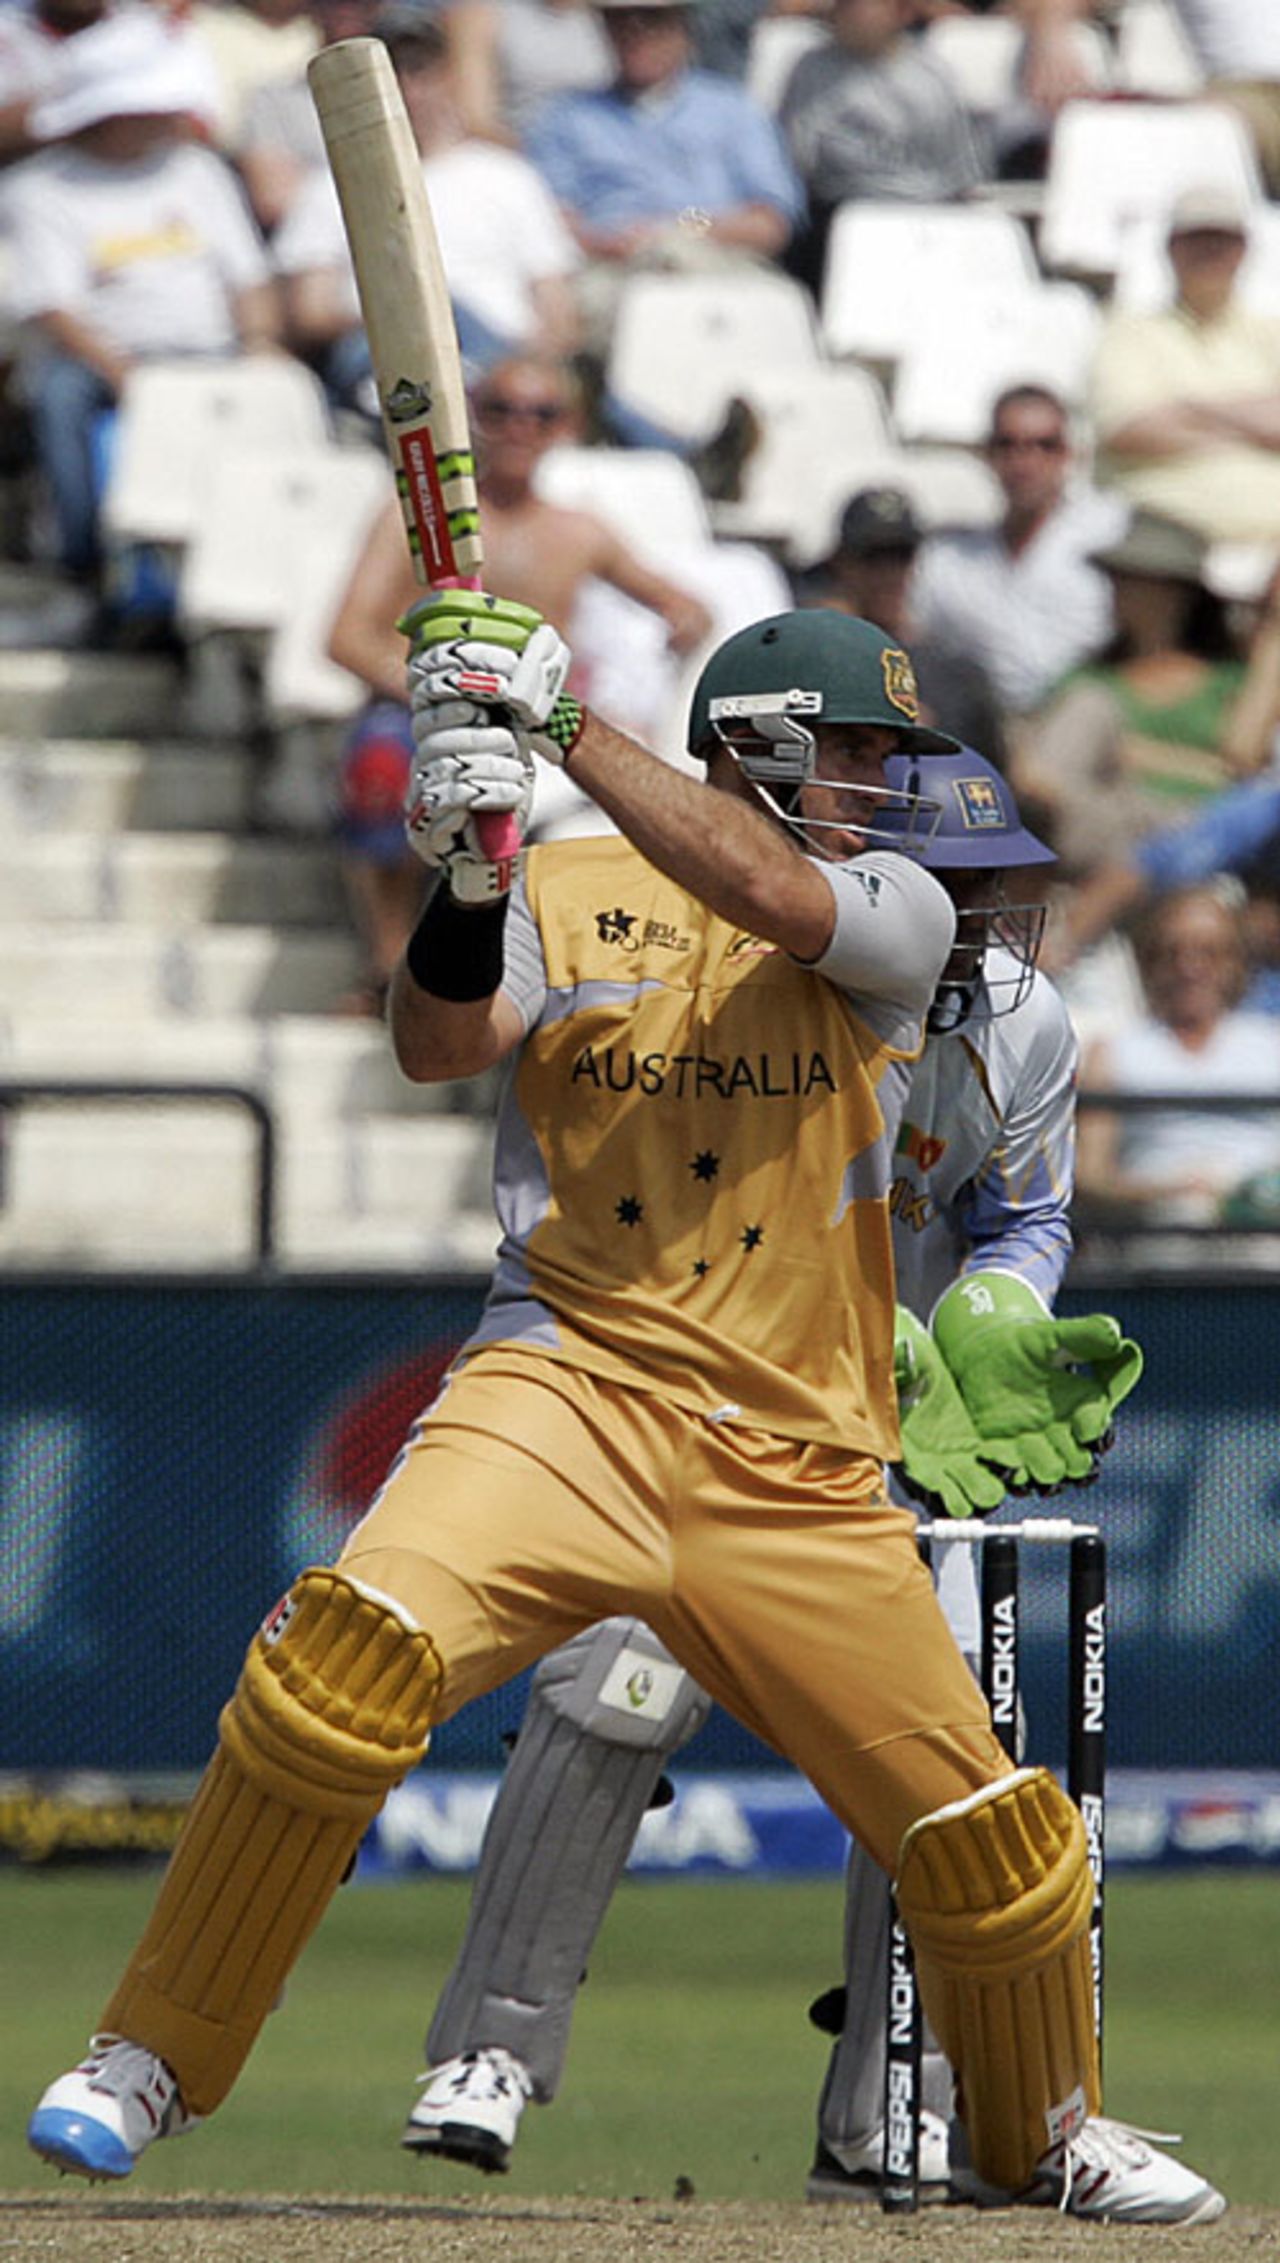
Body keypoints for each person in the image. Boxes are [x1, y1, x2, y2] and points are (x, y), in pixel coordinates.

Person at [27, 598, 1223, 2227]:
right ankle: (150, 2052)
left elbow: (775, 892)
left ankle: (1050, 2126)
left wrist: (562, 721)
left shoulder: (895, 905)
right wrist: (462, 876)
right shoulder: (564, 884)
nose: (887, 780)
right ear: (764, 744)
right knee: (336, 1667)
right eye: (859, 749)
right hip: (563, 1388)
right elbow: (443, 1042)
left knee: (994, 1842)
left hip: (795, 1451)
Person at [393, 745, 1147, 2209]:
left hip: (900, 1431)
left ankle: (888, 2109)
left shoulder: (1029, 1024)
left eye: (1006, 897)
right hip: (725, 1400)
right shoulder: (770, 984)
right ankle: (490, 2046)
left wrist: (992, 1310)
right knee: (613, 1684)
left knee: (932, 1750)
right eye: (963, 893)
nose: (988, 928)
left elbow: (1027, 1211)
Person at [326, 351, 713, 1005]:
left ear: (565, 427)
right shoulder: (418, 521)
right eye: (501, 410)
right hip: (422, 707)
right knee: (381, 762)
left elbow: (686, 607)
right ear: (474, 416)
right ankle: (386, 965)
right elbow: (347, 638)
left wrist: (664, 645)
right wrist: (440, 688)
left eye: (540, 414)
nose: (518, 428)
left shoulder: (578, 531)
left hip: (531, 715)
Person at [0, 6, 278, 601]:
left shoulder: (197, 171)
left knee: (282, 394)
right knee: (59, 395)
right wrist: (125, 373)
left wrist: (260, 345)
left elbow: (248, 279)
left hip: (214, 350)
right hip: (105, 361)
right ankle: (85, 557)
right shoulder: (40, 190)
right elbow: (53, 306)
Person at [274, 5, 582, 412]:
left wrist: (520, 368)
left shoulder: (509, 176)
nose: (408, 87)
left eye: (421, 69)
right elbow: (310, 311)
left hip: (494, 363)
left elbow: (558, 314)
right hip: (382, 352)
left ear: (448, 76)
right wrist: (411, 320)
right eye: (393, 71)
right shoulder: (330, 185)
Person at [523, 0, 803, 360]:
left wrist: (680, 229)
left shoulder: (735, 109)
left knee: (760, 311)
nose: (636, 31)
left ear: (684, 27)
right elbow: (548, 218)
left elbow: (771, 224)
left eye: (653, 19)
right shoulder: (567, 117)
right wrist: (602, 242)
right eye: (620, 20)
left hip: (717, 260)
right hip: (610, 272)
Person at [1012, 507, 1273, 885]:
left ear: (1172, 591)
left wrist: (1135, 754)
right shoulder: (1090, 674)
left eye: (1129, 579)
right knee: (1088, 707)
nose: (1114, 589)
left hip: (1190, 824)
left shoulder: (1228, 681)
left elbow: (1246, 769)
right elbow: (1033, 759)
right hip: (1095, 815)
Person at [909, 383, 1123, 729]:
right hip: (983, 724)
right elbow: (910, 630)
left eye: (1044, 445)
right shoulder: (950, 558)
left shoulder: (1109, 538)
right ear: (988, 454)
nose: (1025, 461)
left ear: (1070, 454)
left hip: (1084, 718)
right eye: (1008, 445)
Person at [1075, 882, 1280, 1231]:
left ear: (1235, 963)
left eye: (1210, 953)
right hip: (1153, 1238)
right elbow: (1090, 1174)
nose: (1190, 967)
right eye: (1174, 953)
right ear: (1150, 963)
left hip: (1261, 1233)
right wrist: (1167, 1193)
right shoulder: (1113, 1050)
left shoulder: (1271, 1044)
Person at [1089, 185, 1280, 547]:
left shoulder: (1272, 333)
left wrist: (1188, 408)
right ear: (1170, 249)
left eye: (1222, 241)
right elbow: (1130, 428)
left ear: (1244, 250)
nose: (1210, 253)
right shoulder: (1127, 331)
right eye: (1196, 240)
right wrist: (1257, 432)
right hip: (1163, 533)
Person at [777, 0, 990, 290]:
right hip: (838, 211)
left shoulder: (932, 77)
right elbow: (797, 158)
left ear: (901, 12)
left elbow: (958, 170)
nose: (842, 12)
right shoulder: (810, 70)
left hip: (924, 212)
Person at [818, 485, 1008, 766]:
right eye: (873, 557)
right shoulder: (816, 660)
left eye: (901, 555)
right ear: (842, 562)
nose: (888, 573)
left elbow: (990, 774)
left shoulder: (957, 674)